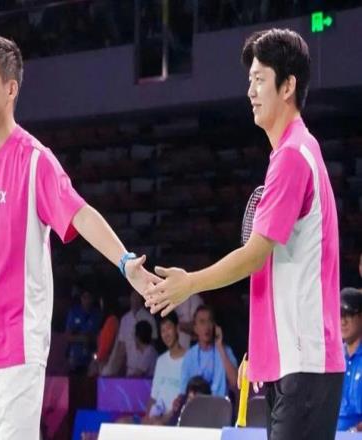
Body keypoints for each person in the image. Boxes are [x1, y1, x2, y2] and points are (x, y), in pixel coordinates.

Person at [0, 36, 158, 440]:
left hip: (19, 347)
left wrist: (127, 264)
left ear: (10, 89)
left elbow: (80, 213)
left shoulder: (34, 160)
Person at [146, 28, 345, 440]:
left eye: (260, 79)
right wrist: (262, 350)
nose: (250, 91)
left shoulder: (292, 157)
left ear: (288, 86)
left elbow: (255, 255)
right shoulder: (293, 152)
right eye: (249, 80)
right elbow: (276, 270)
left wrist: (189, 284)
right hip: (292, 363)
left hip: (304, 363)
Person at [179, 305, 237, 398]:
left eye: (209, 321)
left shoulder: (225, 350)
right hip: (197, 404)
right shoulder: (189, 356)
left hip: (220, 404)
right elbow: (183, 391)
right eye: (202, 322)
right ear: (195, 328)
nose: (207, 326)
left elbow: (235, 383)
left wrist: (220, 346)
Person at [143, 311, 186, 425]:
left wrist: (165, 419)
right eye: (162, 330)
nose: (166, 334)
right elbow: (153, 397)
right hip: (155, 417)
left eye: (169, 328)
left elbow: (186, 400)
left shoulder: (189, 359)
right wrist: (146, 418)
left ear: (177, 328)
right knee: (121, 423)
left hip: (174, 420)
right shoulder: (161, 360)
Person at [337, 287, 362, 432]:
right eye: (340, 315)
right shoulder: (333, 358)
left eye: (349, 315)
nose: (343, 322)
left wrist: (354, 431)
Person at [65, 289, 102, 374]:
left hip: (91, 357)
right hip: (75, 357)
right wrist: (82, 338)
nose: (87, 300)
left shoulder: (97, 315)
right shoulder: (74, 312)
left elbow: (101, 336)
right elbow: (67, 336)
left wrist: (90, 339)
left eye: (89, 297)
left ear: (92, 299)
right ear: (81, 298)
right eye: (84, 297)